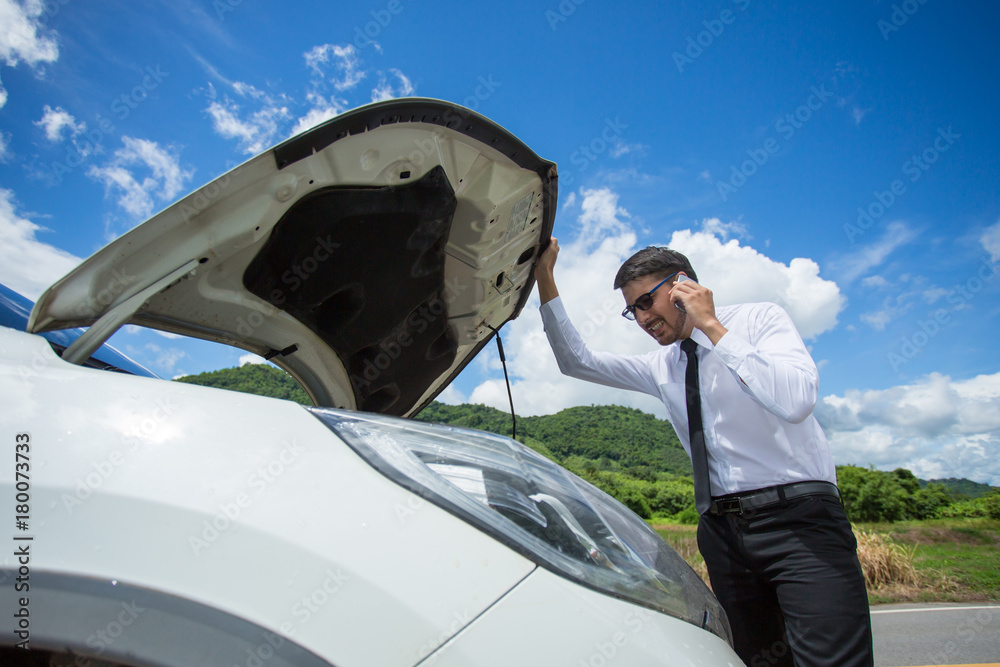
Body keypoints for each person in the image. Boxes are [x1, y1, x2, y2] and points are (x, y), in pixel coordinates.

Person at [534, 238, 873, 667]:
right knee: (756, 661)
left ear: (683, 286)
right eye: (632, 309)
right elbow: (576, 361)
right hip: (723, 535)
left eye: (646, 301)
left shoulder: (758, 320)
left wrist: (711, 326)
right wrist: (545, 276)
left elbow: (796, 401)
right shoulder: (662, 366)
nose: (642, 318)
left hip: (800, 523)